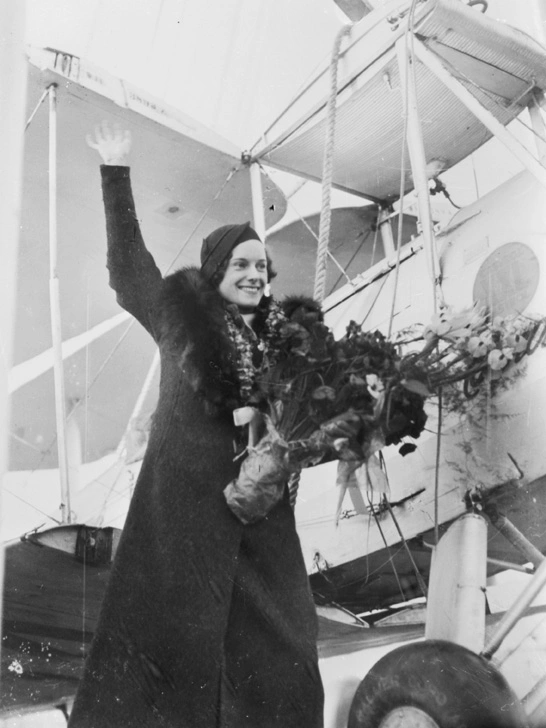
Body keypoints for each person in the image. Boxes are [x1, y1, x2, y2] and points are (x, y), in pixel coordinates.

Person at [67, 123, 324, 728]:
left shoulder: (288, 346)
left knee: (285, 663)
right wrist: (116, 171)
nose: (257, 274)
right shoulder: (178, 318)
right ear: (215, 269)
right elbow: (129, 267)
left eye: (263, 265)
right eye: (242, 263)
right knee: (160, 674)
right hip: (182, 525)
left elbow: (308, 425)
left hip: (261, 531)